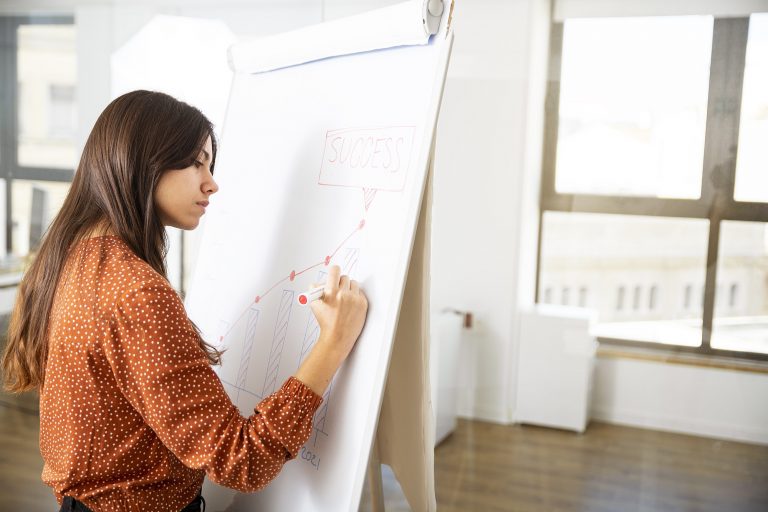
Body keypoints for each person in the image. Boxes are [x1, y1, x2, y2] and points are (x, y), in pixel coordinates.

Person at [0, 90, 368, 512]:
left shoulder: (69, 258)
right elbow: (241, 460)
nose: (211, 182)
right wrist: (333, 342)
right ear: (144, 159)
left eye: (209, 164)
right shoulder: (136, 293)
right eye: (196, 163)